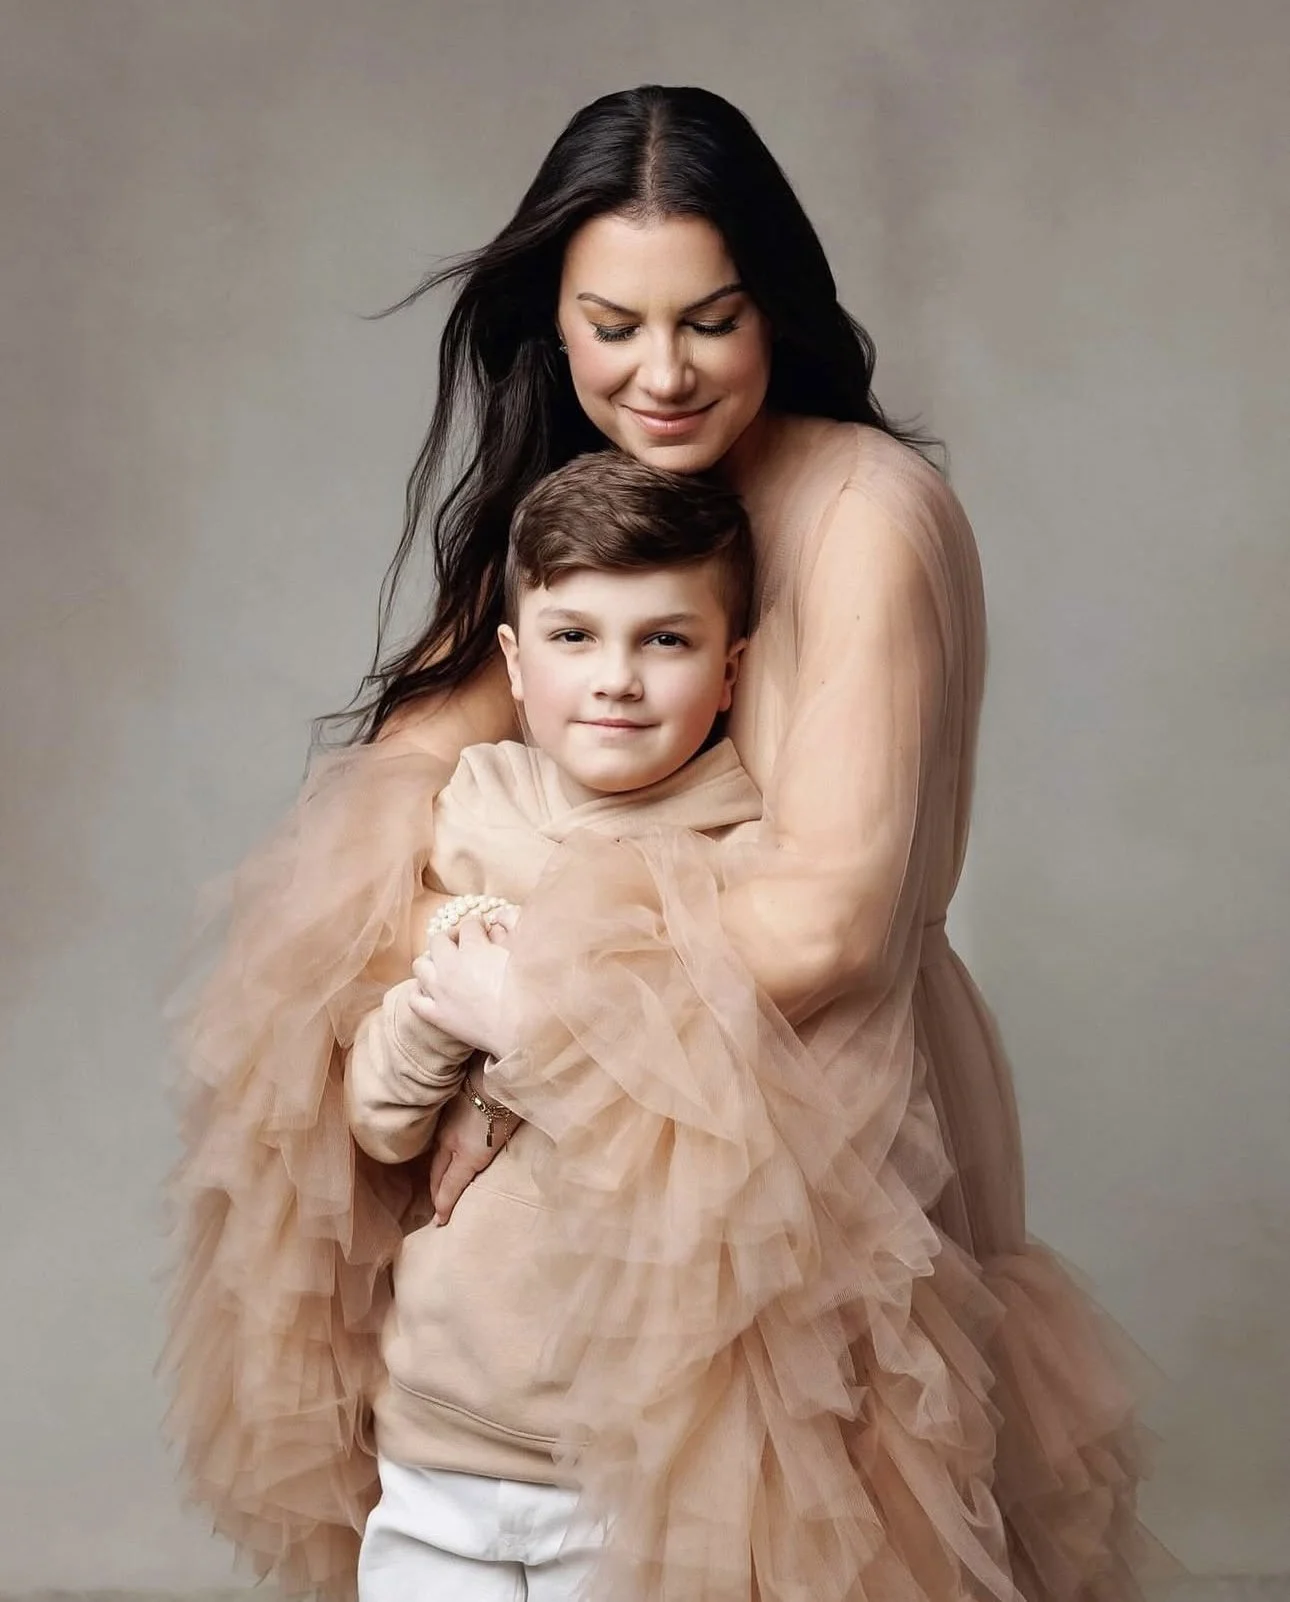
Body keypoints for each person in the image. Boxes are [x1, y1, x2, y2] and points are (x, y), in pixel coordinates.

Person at [165, 84, 1151, 1602]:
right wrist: (466, 1030)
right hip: (571, 1178)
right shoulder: (598, 505)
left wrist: (537, 1016)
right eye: (612, 323)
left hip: (815, 1105)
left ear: (779, 306)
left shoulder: (860, 505)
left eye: (710, 317)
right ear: (549, 323)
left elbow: (827, 925)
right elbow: (394, 799)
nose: (661, 372)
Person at [344, 448, 762, 1598]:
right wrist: (449, 994)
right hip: (437, 1427)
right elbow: (381, 1124)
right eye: (576, 638)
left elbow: (705, 1146)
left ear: (730, 671)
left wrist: (522, 1024)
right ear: (517, 667)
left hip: (630, 1447)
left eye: (664, 641)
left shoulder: (742, 857)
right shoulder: (467, 815)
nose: (617, 679)